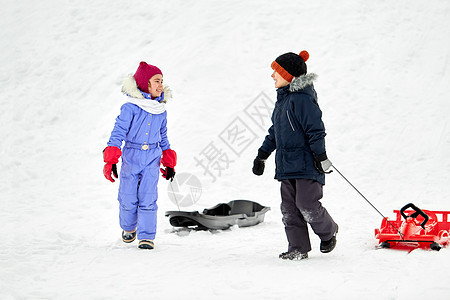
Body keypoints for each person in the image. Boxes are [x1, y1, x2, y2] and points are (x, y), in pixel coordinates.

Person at [252, 50, 338, 260]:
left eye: (276, 72)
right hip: (286, 166)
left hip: (308, 165)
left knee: (307, 205)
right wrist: (262, 154)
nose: (272, 76)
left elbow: (315, 129)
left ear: (289, 75)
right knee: (289, 209)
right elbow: (275, 132)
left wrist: (321, 156)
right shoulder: (282, 102)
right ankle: (298, 248)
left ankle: (329, 231)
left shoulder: (302, 100)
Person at [103, 61, 177, 250]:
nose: (161, 85)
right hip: (132, 156)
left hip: (152, 157)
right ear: (145, 84)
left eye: (162, 81)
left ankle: (146, 236)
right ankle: (129, 227)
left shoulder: (160, 111)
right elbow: (118, 132)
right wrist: (111, 159)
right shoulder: (131, 108)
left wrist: (169, 163)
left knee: (148, 197)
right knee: (128, 197)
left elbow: (164, 137)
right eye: (157, 81)